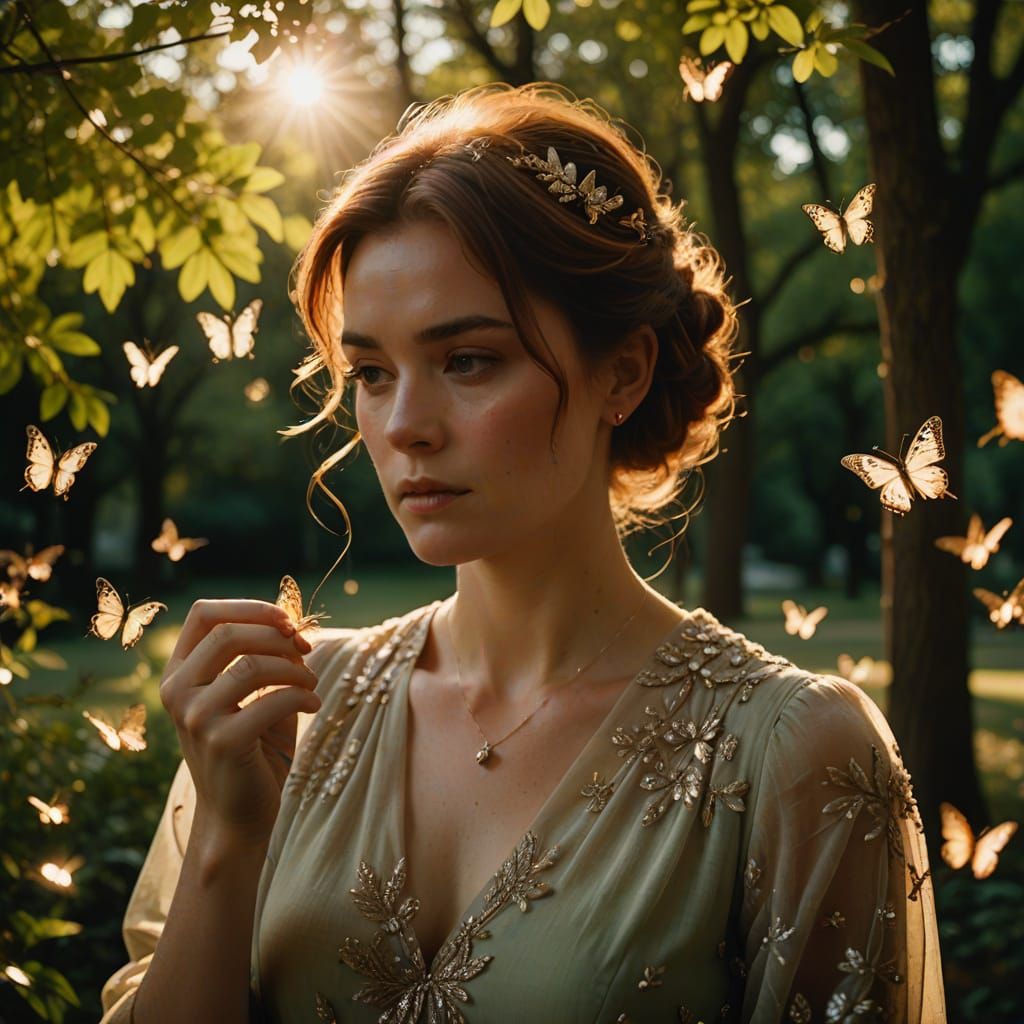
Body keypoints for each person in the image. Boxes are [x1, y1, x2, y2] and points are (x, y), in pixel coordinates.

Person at [99, 83, 946, 1024]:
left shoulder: (789, 752)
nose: (405, 426)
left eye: (468, 361)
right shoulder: (286, 713)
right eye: (372, 374)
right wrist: (225, 840)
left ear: (621, 371)